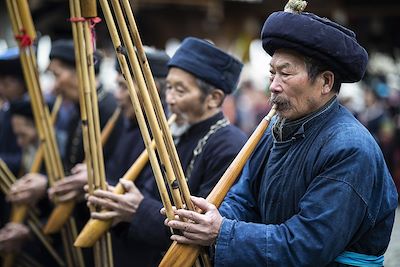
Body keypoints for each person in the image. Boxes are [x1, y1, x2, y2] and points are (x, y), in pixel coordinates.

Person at [163, 4, 398, 267]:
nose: (273, 86)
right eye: (272, 73)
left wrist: (221, 231)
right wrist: (210, 218)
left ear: (326, 82)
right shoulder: (272, 131)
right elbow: (243, 197)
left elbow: (307, 244)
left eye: (285, 74)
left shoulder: (350, 149)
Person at [87, 37, 248, 266]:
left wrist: (138, 209)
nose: (169, 99)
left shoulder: (229, 146)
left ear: (213, 99)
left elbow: (202, 229)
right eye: (169, 87)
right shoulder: (169, 130)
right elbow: (147, 189)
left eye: (180, 91)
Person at [0, 47, 25, 177]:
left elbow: (23, 158)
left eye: (7, 84)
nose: (1, 89)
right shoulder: (6, 109)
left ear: (22, 84)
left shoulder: (30, 113)